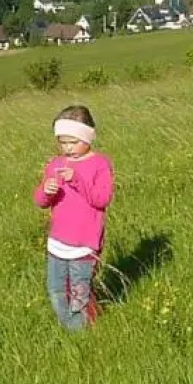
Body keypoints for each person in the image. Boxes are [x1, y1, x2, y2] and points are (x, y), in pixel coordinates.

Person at [33, 104, 115, 330]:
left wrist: (77, 180)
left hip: (84, 244)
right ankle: (70, 327)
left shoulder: (100, 164)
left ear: (89, 136)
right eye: (62, 142)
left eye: (73, 142)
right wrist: (45, 191)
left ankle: (81, 332)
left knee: (79, 293)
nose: (67, 148)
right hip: (57, 242)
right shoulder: (56, 164)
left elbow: (101, 199)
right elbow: (40, 201)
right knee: (57, 289)